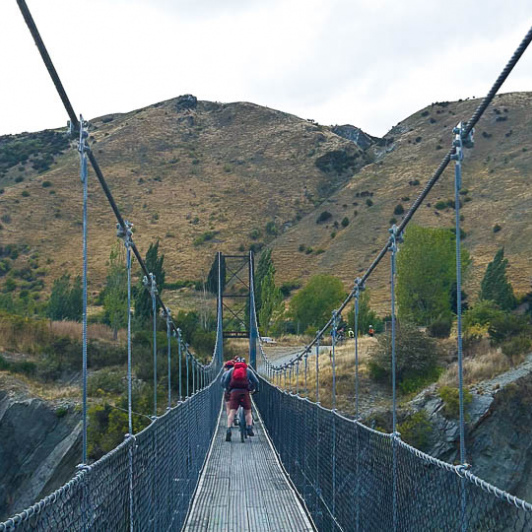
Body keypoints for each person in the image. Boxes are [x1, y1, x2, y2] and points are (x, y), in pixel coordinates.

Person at [221, 357, 259, 442]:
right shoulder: (248, 371)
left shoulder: (231, 370)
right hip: (245, 392)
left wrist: (228, 389)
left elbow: (225, 381)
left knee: (232, 411)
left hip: (234, 392)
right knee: (248, 411)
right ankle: (249, 427)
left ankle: (229, 429)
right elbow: (256, 381)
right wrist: (254, 389)